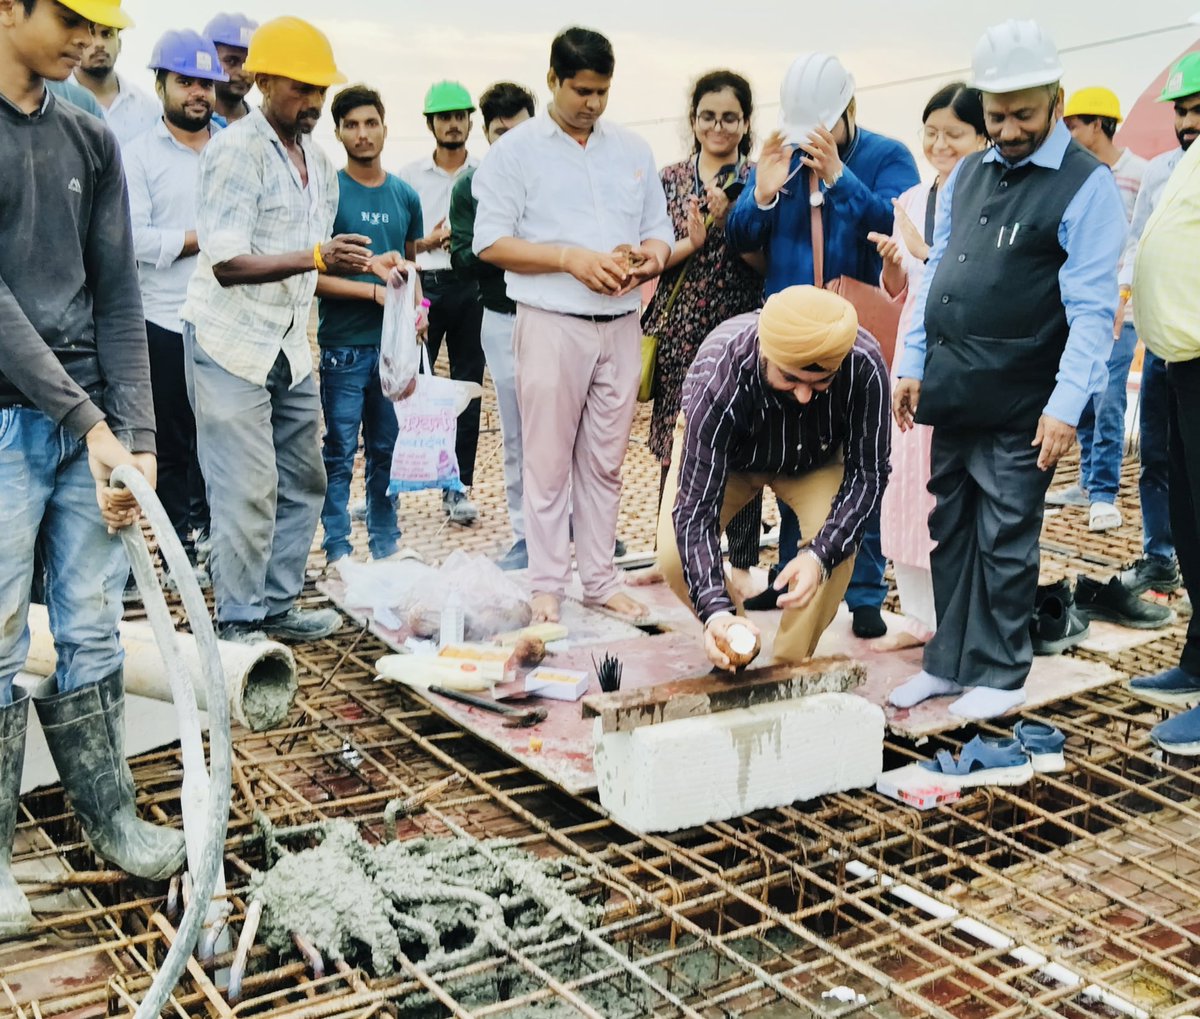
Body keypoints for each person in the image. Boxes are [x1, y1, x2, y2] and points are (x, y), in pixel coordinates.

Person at [1, 0, 187, 937]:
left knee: (90, 625)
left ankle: (109, 818)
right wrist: (87, 420)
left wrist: (137, 438)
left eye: (100, 23)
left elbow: (119, 295)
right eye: (70, 17)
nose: (91, 38)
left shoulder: (87, 135)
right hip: (5, 423)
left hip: (89, 430)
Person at [890, 19, 1127, 721]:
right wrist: (912, 360)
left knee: (1004, 533)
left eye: (1025, 113)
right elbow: (936, 271)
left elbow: (1091, 311)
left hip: (1025, 396)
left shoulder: (1087, 187)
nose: (1011, 128)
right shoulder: (969, 172)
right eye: (997, 115)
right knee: (953, 526)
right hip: (957, 387)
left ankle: (1000, 671)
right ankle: (947, 662)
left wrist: (1064, 405)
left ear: (1055, 98)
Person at [181, 17, 384, 645]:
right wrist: (318, 258)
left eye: (321, 91)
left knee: (304, 480)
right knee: (246, 488)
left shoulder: (318, 165)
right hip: (230, 345)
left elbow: (310, 266)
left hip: (291, 348)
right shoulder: (235, 151)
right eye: (302, 89)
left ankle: (275, 606)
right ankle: (239, 622)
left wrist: (371, 270)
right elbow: (226, 262)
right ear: (264, 80)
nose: (316, 103)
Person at [473, 26, 673, 624]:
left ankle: (600, 577)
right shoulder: (515, 151)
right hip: (551, 321)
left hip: (619, 323)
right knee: (547, 459)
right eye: (581, 90)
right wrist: (568, 258)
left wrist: (649, 258)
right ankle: (546, 587)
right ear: (553, 80)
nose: (592, 103)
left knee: (605, 461)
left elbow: (658, 230)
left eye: (603, 92)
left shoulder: (632, 150)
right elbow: (489, 242)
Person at [725, 52, 919, 639]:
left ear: (848, 111)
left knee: (862, 461)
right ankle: (790, 576)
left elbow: (899, 230)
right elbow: (739, 239)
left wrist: (839, 175)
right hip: (788, 334)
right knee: (796, 456)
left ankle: (862, 593)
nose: (809, 137)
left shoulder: (888, 156)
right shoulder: (780, 154)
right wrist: (758, 192)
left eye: (823, 125)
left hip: (855, 338)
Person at [661, 286, 889, 668]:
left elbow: (869, 475)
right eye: (791, 379)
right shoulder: (719, 371)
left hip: (814, 459)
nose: (803, 396)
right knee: (673, 555)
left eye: (819, 384)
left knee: (835, 550)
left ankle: (788, 663)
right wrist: (716, 611)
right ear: (767, 353)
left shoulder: (864, 364)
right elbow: (694, 515)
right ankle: (734, 635)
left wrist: (819, 557)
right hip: (731, 461)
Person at [634, 70, 765, 601]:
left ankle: (742, 560)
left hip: (739, 323)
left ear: (746, 122)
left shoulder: (759, 181)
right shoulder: (667, 179)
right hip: (682, 326)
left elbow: (765, 262)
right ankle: (675, 549)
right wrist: (690, 236)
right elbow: (651, 253)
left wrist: (733, 220)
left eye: (729, 117)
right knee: (676, 437)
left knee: (742, 439)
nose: (718, 126)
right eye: (708, 116)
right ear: (693, 121)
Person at [869, 83, 988, 651]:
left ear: (983, 137)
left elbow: (973, 280)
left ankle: (958, 616)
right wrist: (896, 264)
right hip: (913, 353)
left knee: (950, 486)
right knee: (905, 482)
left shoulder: (989, 197)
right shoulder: (913, 200)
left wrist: (920, 254)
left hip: (963, 354)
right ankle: (918, 613)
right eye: (932, 132)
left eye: (954, 134)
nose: (939, 144)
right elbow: (898, 293)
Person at [123, 29, 226, 586]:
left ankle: (215, 542)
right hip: (162, 319)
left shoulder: (233, 148)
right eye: (185, 81)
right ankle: (176, 553)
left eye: (206, 83)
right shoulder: (137, 155)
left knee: (222, 440)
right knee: (171, 442)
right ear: (160, 84)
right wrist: (204, 238)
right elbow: (134, 240)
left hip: (225, 319)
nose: (197, 93)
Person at [317, 84, 423, 567]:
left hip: (393, 350)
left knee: (386, 450)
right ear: (337, 131)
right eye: (351, 125)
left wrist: (416, 312)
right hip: (344, 346)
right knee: (339, 451)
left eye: (371, 123)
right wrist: (373, 292)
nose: (362, 134)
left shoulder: (406, 195)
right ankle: (338, 548)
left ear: (385, 125)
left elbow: (413, 271)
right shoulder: (328, 191)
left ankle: (386, 543)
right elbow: (312, 277)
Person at [1127, 127, 1200, 752]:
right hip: (1181, 361)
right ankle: (1199, 661)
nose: (1186, 122)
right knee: (1188, 518)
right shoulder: (1188, 161)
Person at [1117, 53, 1200, 599]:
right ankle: (1159, 555)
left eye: (1199, 110)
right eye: (1182, 112)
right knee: (1160, 458)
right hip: (1164, 348)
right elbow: (1138, 239)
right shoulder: (1162, 171)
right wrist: (1124, 297)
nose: (1188, 123)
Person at [1045, 87, 1147, 532]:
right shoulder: (1075, 177)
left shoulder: (1138, 174)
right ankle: (1087, 483)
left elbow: (1141, 242)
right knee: (1083, 396)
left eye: (1076, 123)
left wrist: (1122, 298)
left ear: (1102, 124)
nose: (1068, 131)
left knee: (1107, 400)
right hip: (1079, 308)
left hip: (1118, 308)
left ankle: (1104, 493)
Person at [449, 81, 536, 570]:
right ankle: (525, 533)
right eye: (500, 133)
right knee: (518, 430)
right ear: (486, 134)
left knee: (572, 428)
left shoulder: (553, 178)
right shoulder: (471, 188)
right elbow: (462, 256)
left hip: (556, 317)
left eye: (519, 131)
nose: (510, 141)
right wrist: (507, 248)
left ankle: (582, 529)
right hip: (503, 318)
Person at [400, 81, 484, 526]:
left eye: (460, 115)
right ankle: (389, 489)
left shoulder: (487, 172)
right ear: (430, 123)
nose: (453, 124)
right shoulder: (410, 177)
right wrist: (429, 240)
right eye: (444, 116)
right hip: (425, 286)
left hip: (471, 289)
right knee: (413, 390)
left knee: (468, 390)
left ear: (471, 120)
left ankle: (458, 488)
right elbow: (397, 243)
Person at [71, 16, 157, 145]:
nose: (99, 44)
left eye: (107, 34)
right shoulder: (54, 99)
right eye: (91, 33)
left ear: (120, 44)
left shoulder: (149, 109)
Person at [202, 11, 257, 129]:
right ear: (208, 59)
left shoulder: (265, 129)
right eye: (231, 61)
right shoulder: (185, 127)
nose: (243, 73)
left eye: (249, 63)